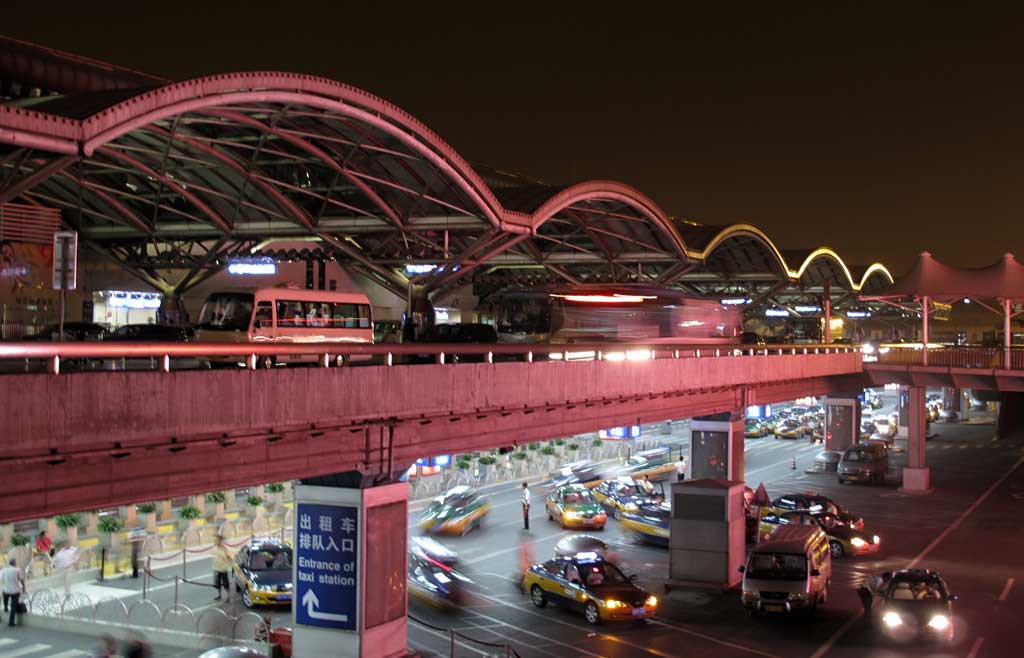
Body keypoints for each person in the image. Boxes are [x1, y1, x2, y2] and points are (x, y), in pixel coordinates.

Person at [2, 557, 26, 627]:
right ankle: (11, 622)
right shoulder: (17, 570)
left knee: (5, 595)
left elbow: (2, 579)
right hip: (15, 591)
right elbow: (21, 580)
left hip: (6, 590)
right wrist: (24, 588)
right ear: (14, 563)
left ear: (9, 563)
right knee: (13, 607)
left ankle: (5, 606)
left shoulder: (4, 570)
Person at [212, 535, 232, 602]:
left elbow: (229, 557)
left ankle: (228, 597)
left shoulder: (224, 548)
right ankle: (219, 595)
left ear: (220, 541)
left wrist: (232, 563)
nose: (215, 541)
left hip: (223, 569)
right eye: (215, 540)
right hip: (216, 569)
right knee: (217, 584)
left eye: (217, 540)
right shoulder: (214, 548)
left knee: (226, 584)